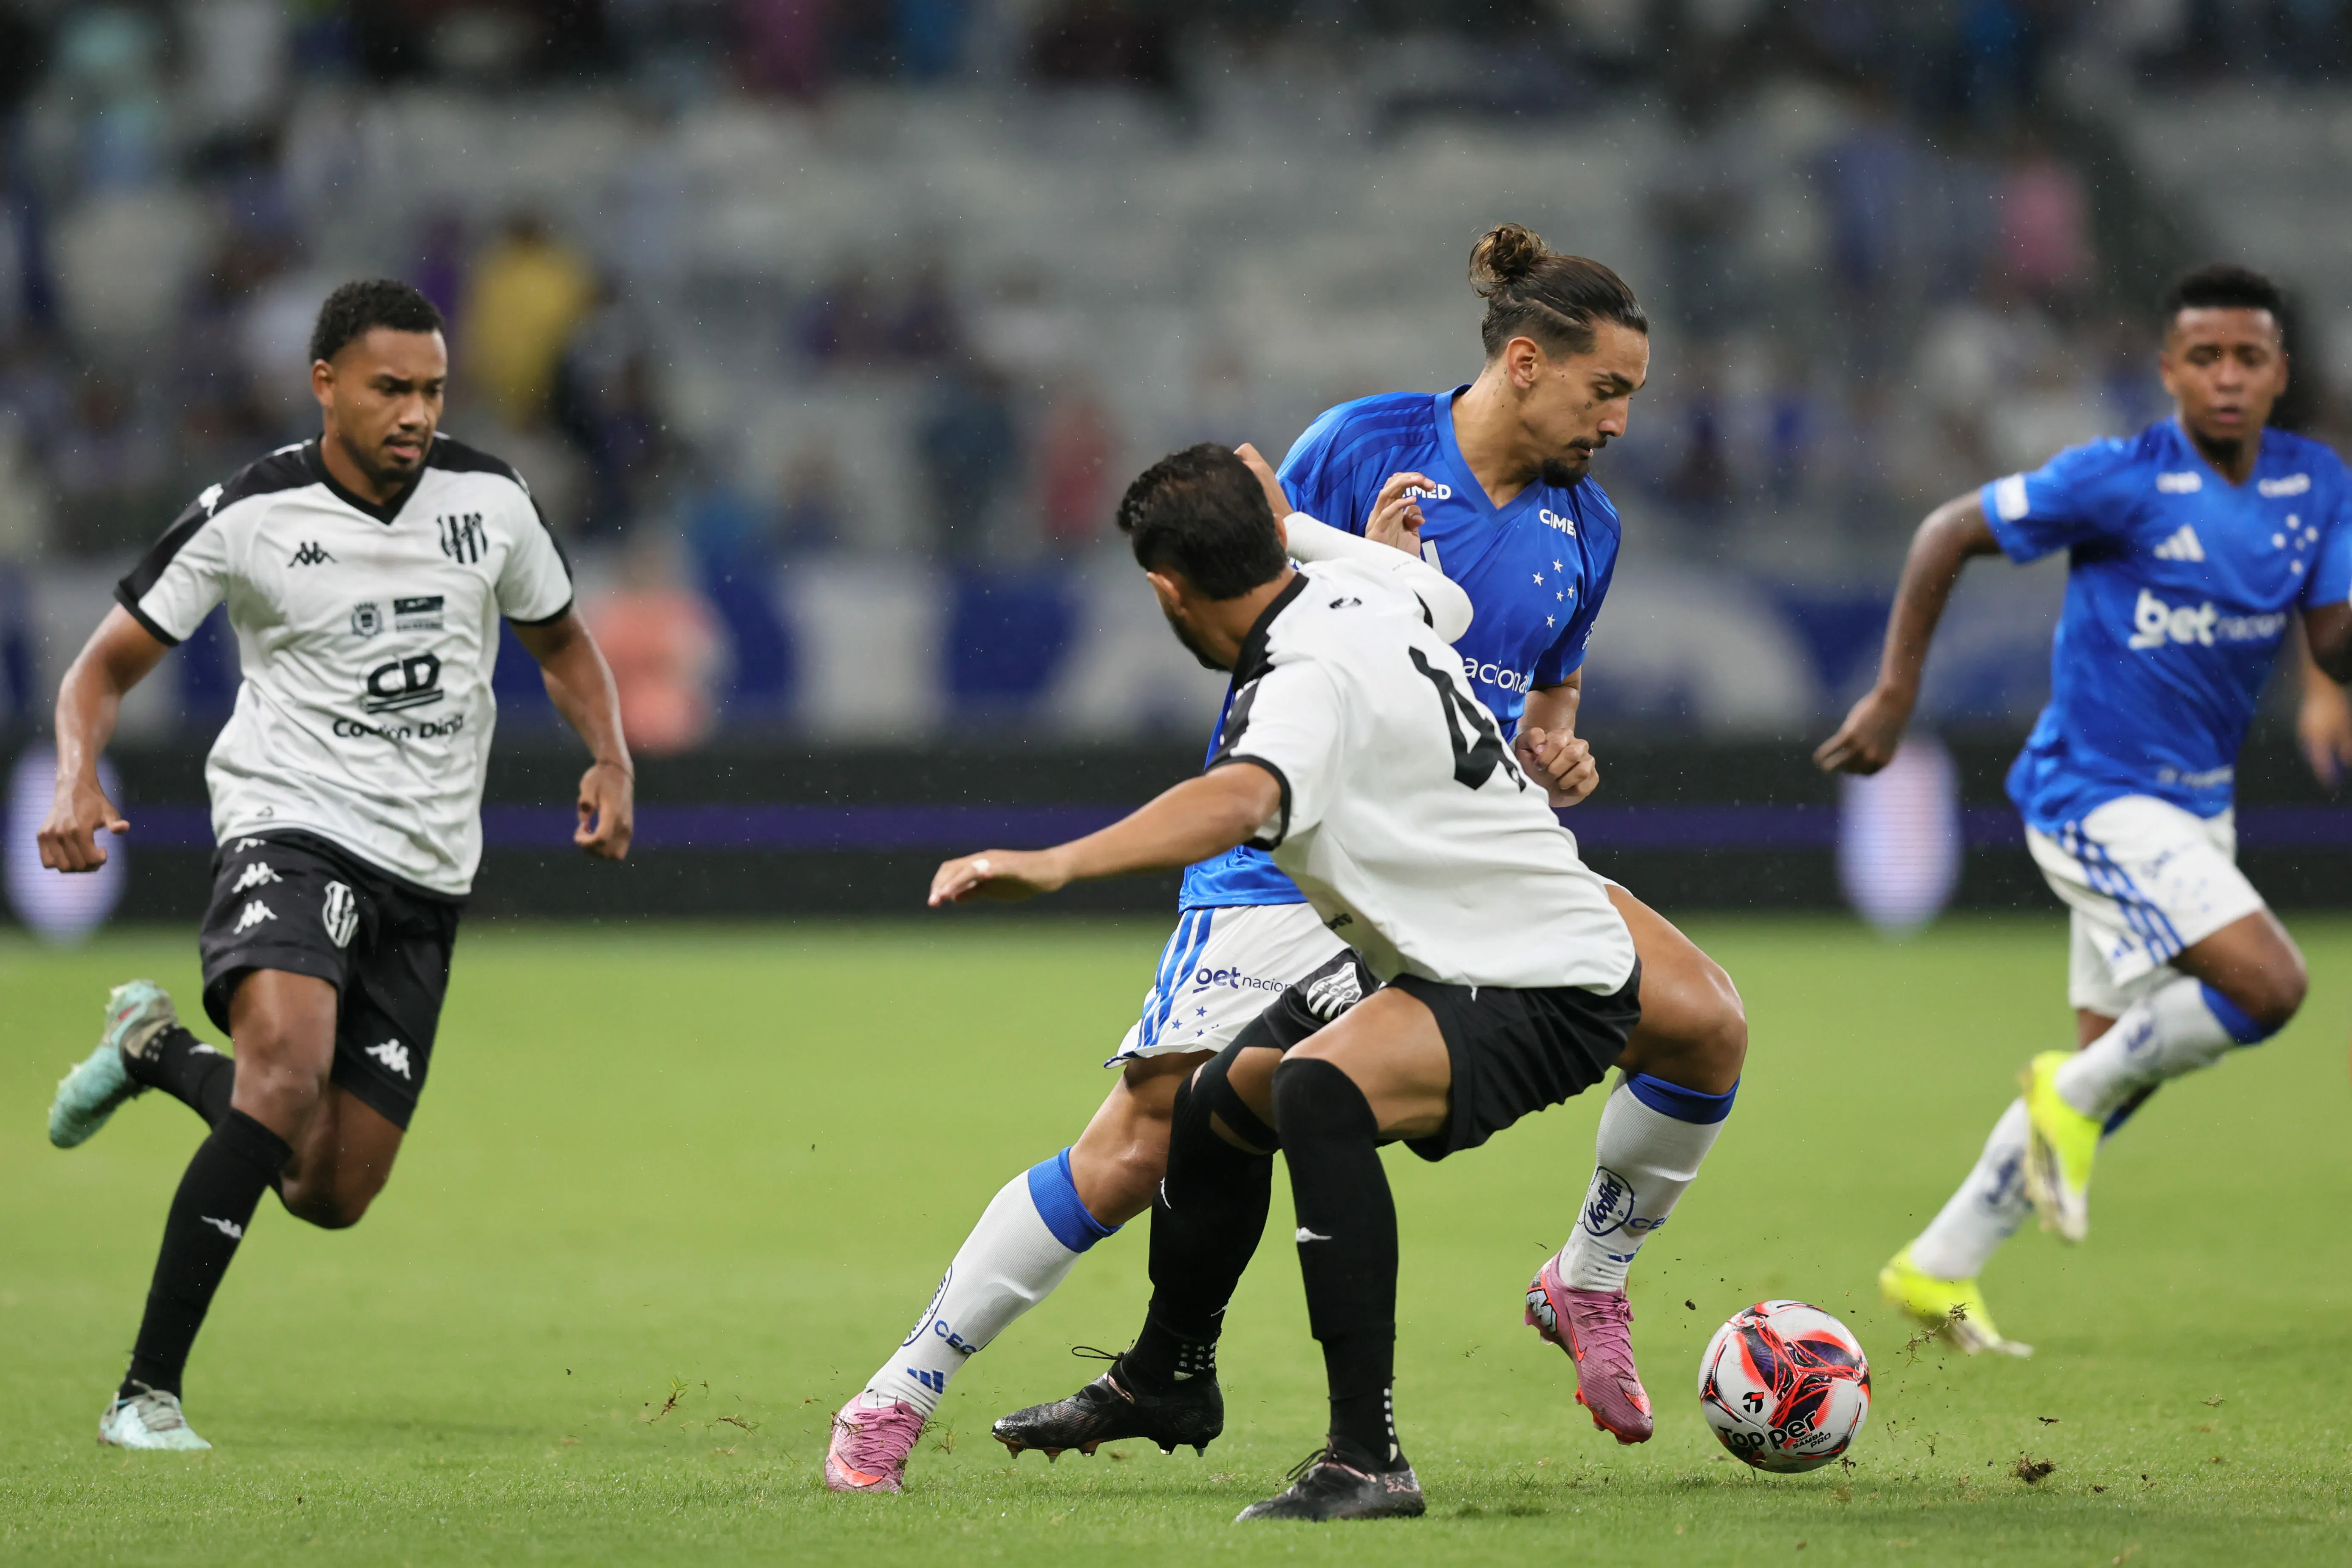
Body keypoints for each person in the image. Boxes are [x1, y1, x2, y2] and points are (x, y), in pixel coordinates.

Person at [823, 226, 1747, 1494]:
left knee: (1701, 1022)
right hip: (1297, 863)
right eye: (1608, 389)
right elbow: (1257, 622)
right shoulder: (1361, 445)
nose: (1622, 421)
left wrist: (1556, 748)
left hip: (1450, 860)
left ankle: (1583, 1281)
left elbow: (1538, 702)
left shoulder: (1585, 528)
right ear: (1526, 362)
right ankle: (904, 1385)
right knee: (1150, 1138)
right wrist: (1348, 555)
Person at [41, 279, 635, 1450]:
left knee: (327, 1188)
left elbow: (561, 641)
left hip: (427, 868)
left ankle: (152, 1050)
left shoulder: (490, 500)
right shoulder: (249, 513)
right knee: (284, 1071)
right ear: (325, 384)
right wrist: (74, 776)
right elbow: (100, 669)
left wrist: (608, 756)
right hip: (292, 823)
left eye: (432, 389)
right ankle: (142, 1395)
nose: (416, 411)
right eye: (390, 388)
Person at [1818, 263, 2352, 1355]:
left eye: (2248, 357)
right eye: (2203, 357)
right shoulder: (2118, 479)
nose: (2227, 377)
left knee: (2126, 1065)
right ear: (2167, 371)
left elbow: (2333, 637)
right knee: (2268, 984)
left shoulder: (2316, 486)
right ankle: (2069, 1088)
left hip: (2197, 812)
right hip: (2094, 797)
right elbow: (1945, 531)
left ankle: (1937, 1266)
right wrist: (1894, 692)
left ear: (2279, 372)